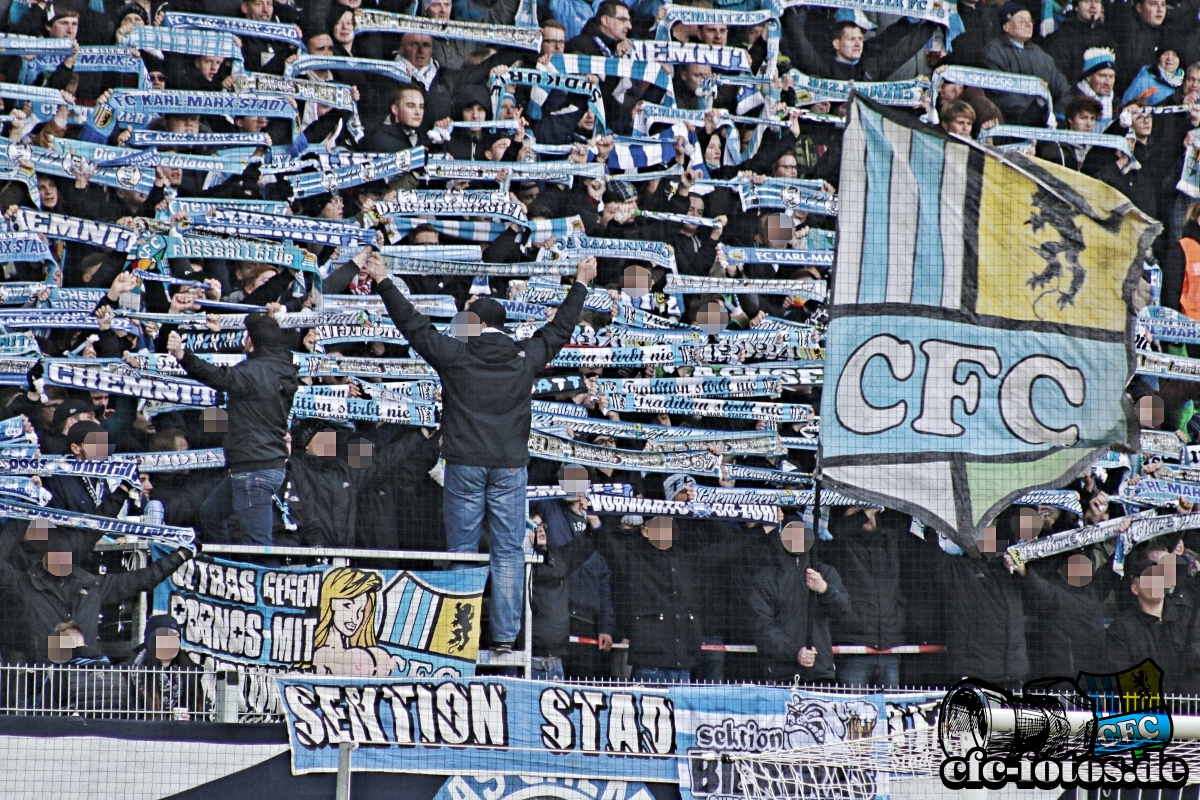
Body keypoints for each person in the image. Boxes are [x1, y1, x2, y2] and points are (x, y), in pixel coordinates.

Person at [363, 250, 597, 653]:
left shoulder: (457, 355)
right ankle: (505, 639)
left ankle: (460, 638)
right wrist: (580, 284)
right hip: (509, 468)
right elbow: (560, 330)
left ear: (481, 324)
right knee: (507, 553)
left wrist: (384, 280)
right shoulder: (524, 358)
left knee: (463, 551)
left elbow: (412, 326)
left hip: (465, 466)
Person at [167, 312, 299, 546]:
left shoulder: (254, 372)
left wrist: (182, 355)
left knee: (258, 546)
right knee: (210, 514)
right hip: (265, 463)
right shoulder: (281, 368)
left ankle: (263, 580)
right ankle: (226, 569)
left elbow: (219, 377)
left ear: (250, 342)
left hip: (254, 469)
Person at [0, 520, 194, 663]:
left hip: (84, 679)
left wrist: (180, 556)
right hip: (42, 681)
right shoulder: (24, 584)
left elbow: (141, 579)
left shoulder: (92, 586)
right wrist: (20, 520)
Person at [749, 520, 851, 684]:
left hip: (820, 672)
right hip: (781, 675)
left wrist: (824, 589)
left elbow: (843, 609)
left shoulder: (824, 572)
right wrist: (794, 652)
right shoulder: (765, 579)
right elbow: (761, 626)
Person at [821, 508, 905, 688]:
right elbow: (836, 534)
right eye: (859, 512)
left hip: (889, 649)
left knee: (891, 714)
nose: (868, 516)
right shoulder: (838, 547)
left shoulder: (889, 543)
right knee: (854, 715)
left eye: (872, 513)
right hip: (853, 650)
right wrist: (866, 512)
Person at [981, 3, 1073, 125]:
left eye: (1030, 20)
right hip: (1011, 125)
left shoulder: (1041, 55)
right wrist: (1036, 110)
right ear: (1006, 26)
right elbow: (1002, 97)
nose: (1028, 24)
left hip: (1045, 124)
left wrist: (1057, 115)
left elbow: (1064, 91)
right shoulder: (993, 53)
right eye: (1021, 21)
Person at [308, 566, 398, 676]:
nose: (355, 618)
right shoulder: (322, 653)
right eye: (347, 605)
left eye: (361, 610)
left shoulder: (361, 649)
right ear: (330, 603)